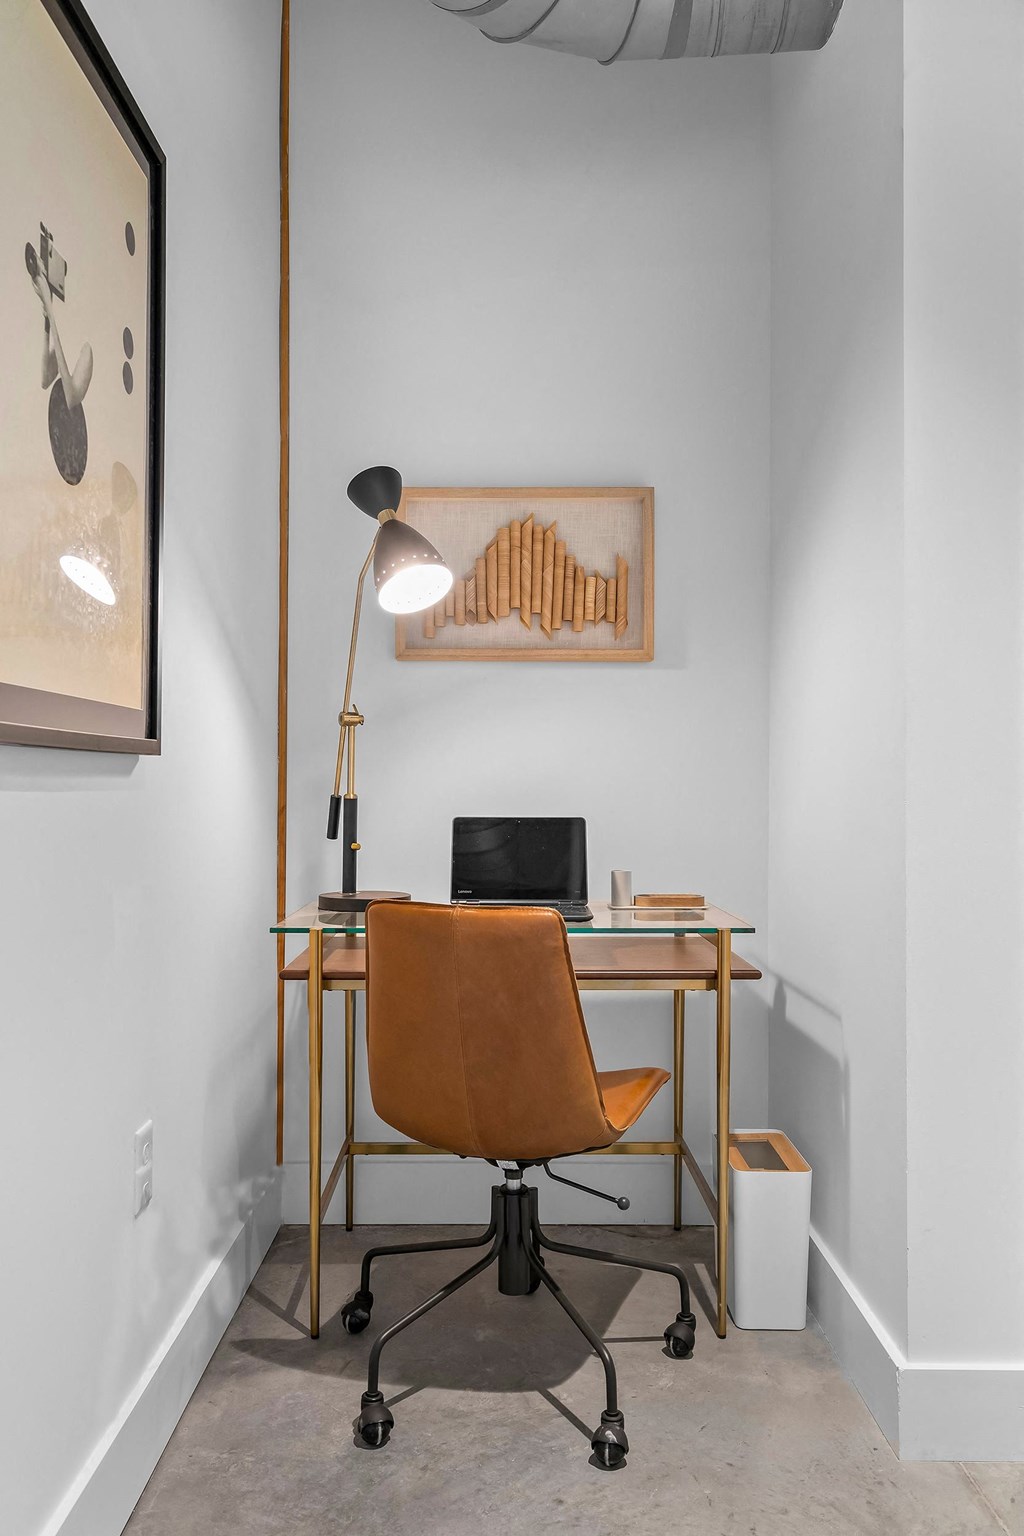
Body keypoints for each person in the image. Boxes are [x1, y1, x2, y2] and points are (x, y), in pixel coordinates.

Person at [25, 240, 92, 484]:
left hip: (74, 459)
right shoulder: (66, 333)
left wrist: (52, 313)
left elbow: (72, 396)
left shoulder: (87, 348)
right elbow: (46, 379)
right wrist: (46, 315)